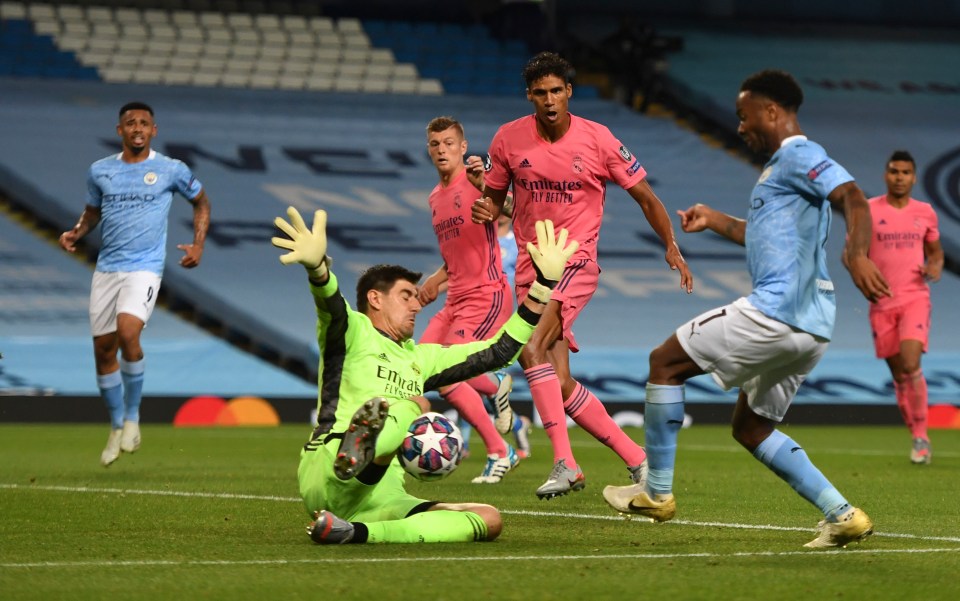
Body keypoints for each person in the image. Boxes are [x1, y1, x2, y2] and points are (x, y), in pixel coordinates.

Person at [602, 69, 891, 548]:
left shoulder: (800, 153)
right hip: (812, 328)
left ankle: (655, 490)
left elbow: (853, 197)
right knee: (752, 427)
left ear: (772, 111)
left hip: (776, 312)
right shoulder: (780, 168)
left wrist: (857, 253)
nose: (739, 127)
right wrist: (715, 220)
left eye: (744, 115)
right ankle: (842, 514)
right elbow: (761, 236)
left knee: (664, 363)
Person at [270, 206, 578, 544]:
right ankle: (358, 447)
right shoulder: (352, 331)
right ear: (375, 299)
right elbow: (330, 304)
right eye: (406, 297)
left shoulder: (422, 358)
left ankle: (356, 533)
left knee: (487, 519)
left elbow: (499, 351)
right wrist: (318, 271)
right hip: (327, 468)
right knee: (413, 402)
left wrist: (543, 286)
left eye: (417, 298)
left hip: (378, 497)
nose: (417, 306)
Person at [471, 51, 693, 499]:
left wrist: (670, 243)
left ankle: (565, 463)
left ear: (569, 91)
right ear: (529, 96)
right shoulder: (508, 139)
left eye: (557, 91)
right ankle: (638, 460)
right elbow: (493, 198)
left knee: (529, 349)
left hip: (574, 263)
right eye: (540, 93)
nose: (549, 100)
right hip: (531, 268)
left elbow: (647, 198)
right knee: (559, 378)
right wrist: (485, 209)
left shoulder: (599, 140)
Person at [59, 101, 211, 467]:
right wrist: (77, 232)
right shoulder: (100, 171)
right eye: (131, 123)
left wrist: (198, 244)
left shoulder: (171, 169)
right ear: (120, 131)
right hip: (107, 270)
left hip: (144, 268)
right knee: (103, 353)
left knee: (129, 333)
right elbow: (93, 211)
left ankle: (133, 417)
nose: (138, 128)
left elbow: (201, 202)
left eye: (144, 123)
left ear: (153, 131)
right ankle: (115, 426)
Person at [416, 116, 520, 484]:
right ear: (429, 150)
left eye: (448, 143)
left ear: (462, 147)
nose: (441, 150)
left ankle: (497, 441)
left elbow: (511, 208)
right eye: (435, 144)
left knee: (448, 373)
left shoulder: (478, 182)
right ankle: (496, 397)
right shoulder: (434, 197)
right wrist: (435, 281)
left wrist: (487, 187)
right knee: (420, 371)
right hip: (454, 297)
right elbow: (454, 255)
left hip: (485, 293)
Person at [863, 150, 942, 464]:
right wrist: (862, 280)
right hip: (882, 302)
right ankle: (915, 432)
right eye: (894, 171)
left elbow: (935, 253)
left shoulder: (925, 212)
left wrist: (934, 267)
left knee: (911, 364)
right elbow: (851, 254)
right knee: (899, 375)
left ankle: (921, 436)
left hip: (914, 298)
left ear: (914, 177)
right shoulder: (868, 210)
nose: (899, 177)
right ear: (886, 174)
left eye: (905, 172)